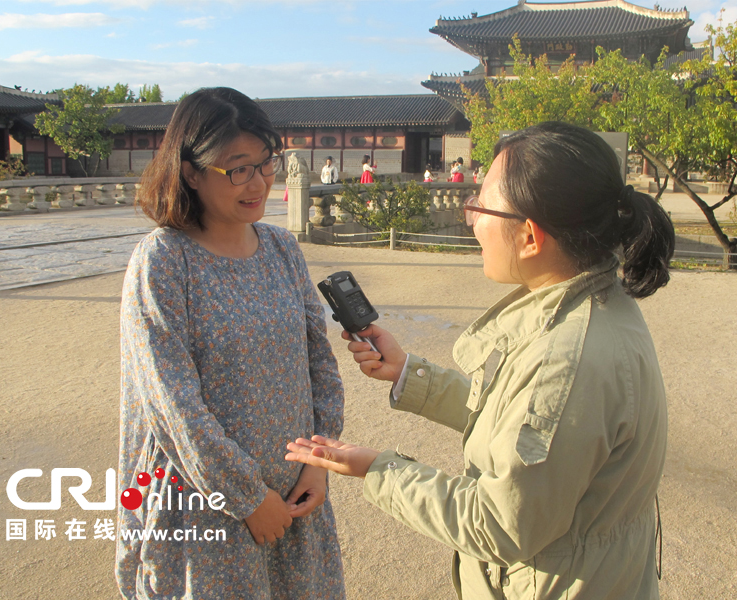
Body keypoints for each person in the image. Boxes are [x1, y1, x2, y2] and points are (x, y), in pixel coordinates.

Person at [287, 121, 674, 600]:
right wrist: (409, 374)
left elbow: (501, 524)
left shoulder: (564, 358)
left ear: (531, 236)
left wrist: (377, 468)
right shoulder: (594, 300)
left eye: (482, 205)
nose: (470, 218)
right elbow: (520, 418)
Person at [117, 87, 346, 600]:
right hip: (207, 503)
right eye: (237, 168)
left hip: (296, 493)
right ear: (192, 171)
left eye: (266, 163)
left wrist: (319, 459)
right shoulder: (163, 262)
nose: (258, 182)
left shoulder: (282, 249)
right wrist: (245, 496)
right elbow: (172, 403)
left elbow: (320, 364)